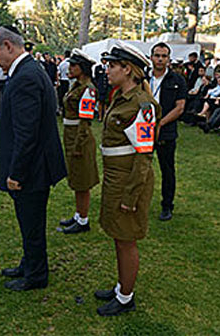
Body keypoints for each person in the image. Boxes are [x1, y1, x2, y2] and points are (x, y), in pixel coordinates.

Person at [0, 25, 67, 290]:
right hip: (36, 167)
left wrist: (16, 174)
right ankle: (29, 263)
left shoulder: (26, 76)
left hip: (31, 170)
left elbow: (27, 134)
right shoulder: (29, 70)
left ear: (8, 46)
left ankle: (36, 275)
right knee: (29, 222)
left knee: (32, 223)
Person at [93, 41, 159, 316]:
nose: (107, 70)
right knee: (119, 235)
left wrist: (131, 195)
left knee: (126, 238)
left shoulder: (142, 104)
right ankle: (122, 286)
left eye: (111, 66)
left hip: (130, 178)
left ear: (127, 69)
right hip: (116, 175)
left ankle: (126, 297)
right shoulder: (121, 97)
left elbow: (144, 155)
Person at [58, 49, 100, 234]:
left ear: (82, 69)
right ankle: (78, 215)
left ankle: (83, 220)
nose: (70, 67)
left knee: (82, 180)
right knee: (76, 178)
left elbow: (85, 120)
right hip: (72, 134)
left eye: (74, 65)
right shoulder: (76, 86)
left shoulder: (88, 90)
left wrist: (78, 144)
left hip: (79, 137)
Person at [148, 42, 187, 221]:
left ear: (169, 59)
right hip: (143, 131)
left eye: (164, 56)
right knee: (141, 168)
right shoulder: (142, 78)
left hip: (166, 132)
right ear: (151, 57)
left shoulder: (177, 80)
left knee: (167, 170)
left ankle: (167, 206)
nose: (160, 59)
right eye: (157, 55)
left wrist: (160, 123)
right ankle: (138, 202)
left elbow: (180, 108)